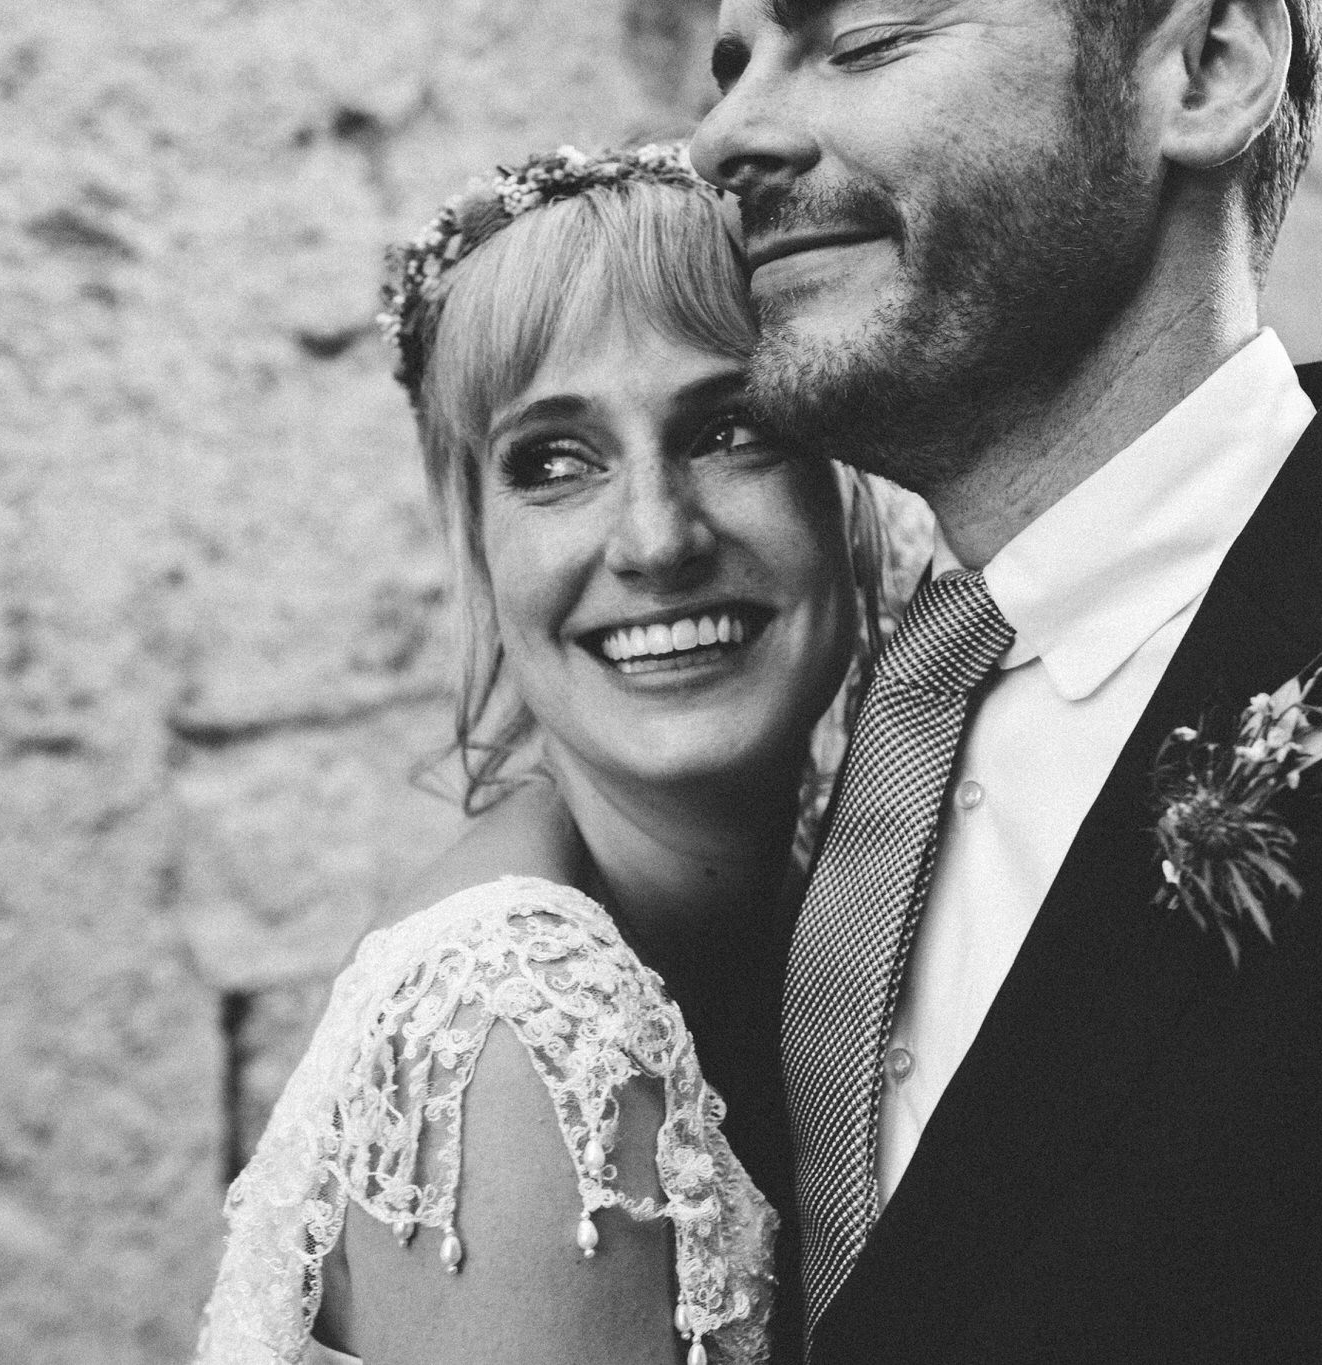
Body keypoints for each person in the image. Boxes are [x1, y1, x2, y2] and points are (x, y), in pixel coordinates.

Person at [691, 2, 1322, 1362]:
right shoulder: (783, 726)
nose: (727, 134)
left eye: (864, 36)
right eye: (732, 65)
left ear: (1208, 70)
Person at [192, 144, 884, 1365]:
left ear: (848, 492)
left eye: (732, 428)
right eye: (554, 462)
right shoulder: (515, 1037)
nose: (656, 539)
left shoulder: (821, 905)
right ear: (476, 542)